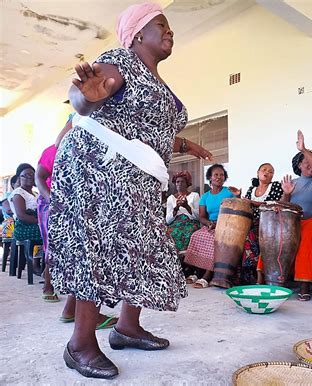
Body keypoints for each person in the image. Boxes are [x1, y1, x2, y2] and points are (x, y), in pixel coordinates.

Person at [48, 3, 212, 379]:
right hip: (100, 170)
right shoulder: (119, 62)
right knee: (100, 246)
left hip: (137, 177)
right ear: (138, 33)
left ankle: (126, 328)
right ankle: (80, 345)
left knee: (143, 248)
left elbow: (151, 131)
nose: (170, 32)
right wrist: (86, 97)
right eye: (162, 25)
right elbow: (87, 94)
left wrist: (188, 147)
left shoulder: (158, 83)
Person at [280, 130, 312, 301]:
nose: (310, 164)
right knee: (276, 233)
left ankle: (305, 283)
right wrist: (287, 194)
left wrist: (304, 150)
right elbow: (282, 207)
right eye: (305, 161)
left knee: (308, 232)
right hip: (295, 221)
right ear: (299, 166)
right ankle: (272, 280)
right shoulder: (292, 183)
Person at [184, 164, 240, 288]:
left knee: (212, 240)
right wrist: (209, 223)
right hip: (211, 225)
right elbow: (202, 216)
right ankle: (196, 272)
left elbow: (237, 207)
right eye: (216, 174)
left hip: (226, 225)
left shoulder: (229, 192)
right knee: (196, 236)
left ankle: (207, 276)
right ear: (210, 177)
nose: (219, 177)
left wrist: (237, 196)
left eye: (222, 175)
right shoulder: (205, 197)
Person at [35, 118, 73, 302]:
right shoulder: (52, 151)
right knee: (52, 243)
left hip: (72, 202)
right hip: (49, 201)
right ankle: (48, 284)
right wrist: (53, 200)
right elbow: (39, 177)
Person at [243, 163, 283, 284]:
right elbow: (246, 206)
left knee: (251, 237)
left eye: (270, 171)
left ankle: (259, 276)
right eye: (264, 170)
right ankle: (249, 274)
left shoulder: (276, 186)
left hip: (269, 223)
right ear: (258, 172)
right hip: (252, 223)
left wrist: (252, 202)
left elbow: (274, 204)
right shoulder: (251, 189)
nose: (267, 173)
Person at [166, 171, 200, 252]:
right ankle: (175, 258)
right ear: (175, 183)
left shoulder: (195, 195)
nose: (180, 184)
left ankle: (187, 259)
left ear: (187, 183)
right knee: (169, 234)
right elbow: (167, 220)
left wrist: (187, 206)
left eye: (182, 181)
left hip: (190, 223)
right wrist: (176, 208)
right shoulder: (170, 198)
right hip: (175, 224)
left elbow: (198, 217)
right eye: (177, 181)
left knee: (189, 233)